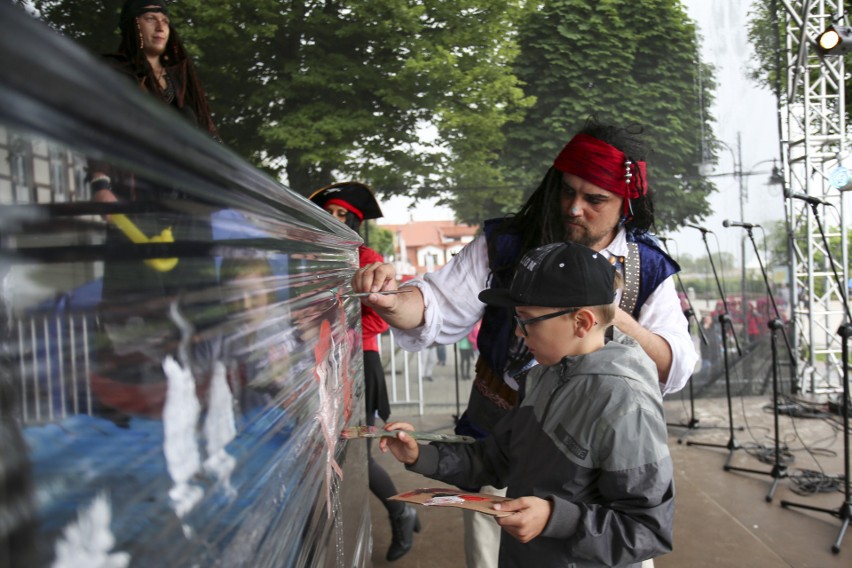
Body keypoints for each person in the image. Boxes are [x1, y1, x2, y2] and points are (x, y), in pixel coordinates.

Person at [352, 119, 697, 568]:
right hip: (502, 438)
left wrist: (607, 313)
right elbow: (439, 301)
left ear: (625, 204)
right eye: (567, 191)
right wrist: (390, 301)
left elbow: (676, 365)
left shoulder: (644, 279)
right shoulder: (509, 248)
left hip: (596, 495)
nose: (574, 209)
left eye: (595, 199)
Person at [380, 242, 674, 567]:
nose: (519, 333)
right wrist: (421, 453)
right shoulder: (542, 375)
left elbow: (647, 528)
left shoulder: (625, 401)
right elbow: (497, 458)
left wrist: (554, 518)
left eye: (528, 320)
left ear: (582, 322)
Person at [309, 181, 420, 562]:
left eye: (343, 214)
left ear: (355, 221)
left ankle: (400, 512)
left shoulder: (366, 257)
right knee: (325, 452)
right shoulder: (310, 258)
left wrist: (339, 328)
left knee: (355, 452)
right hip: (319, 366)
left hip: (357, 364)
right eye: (330, 212)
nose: (335, 218)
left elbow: (379, 320)